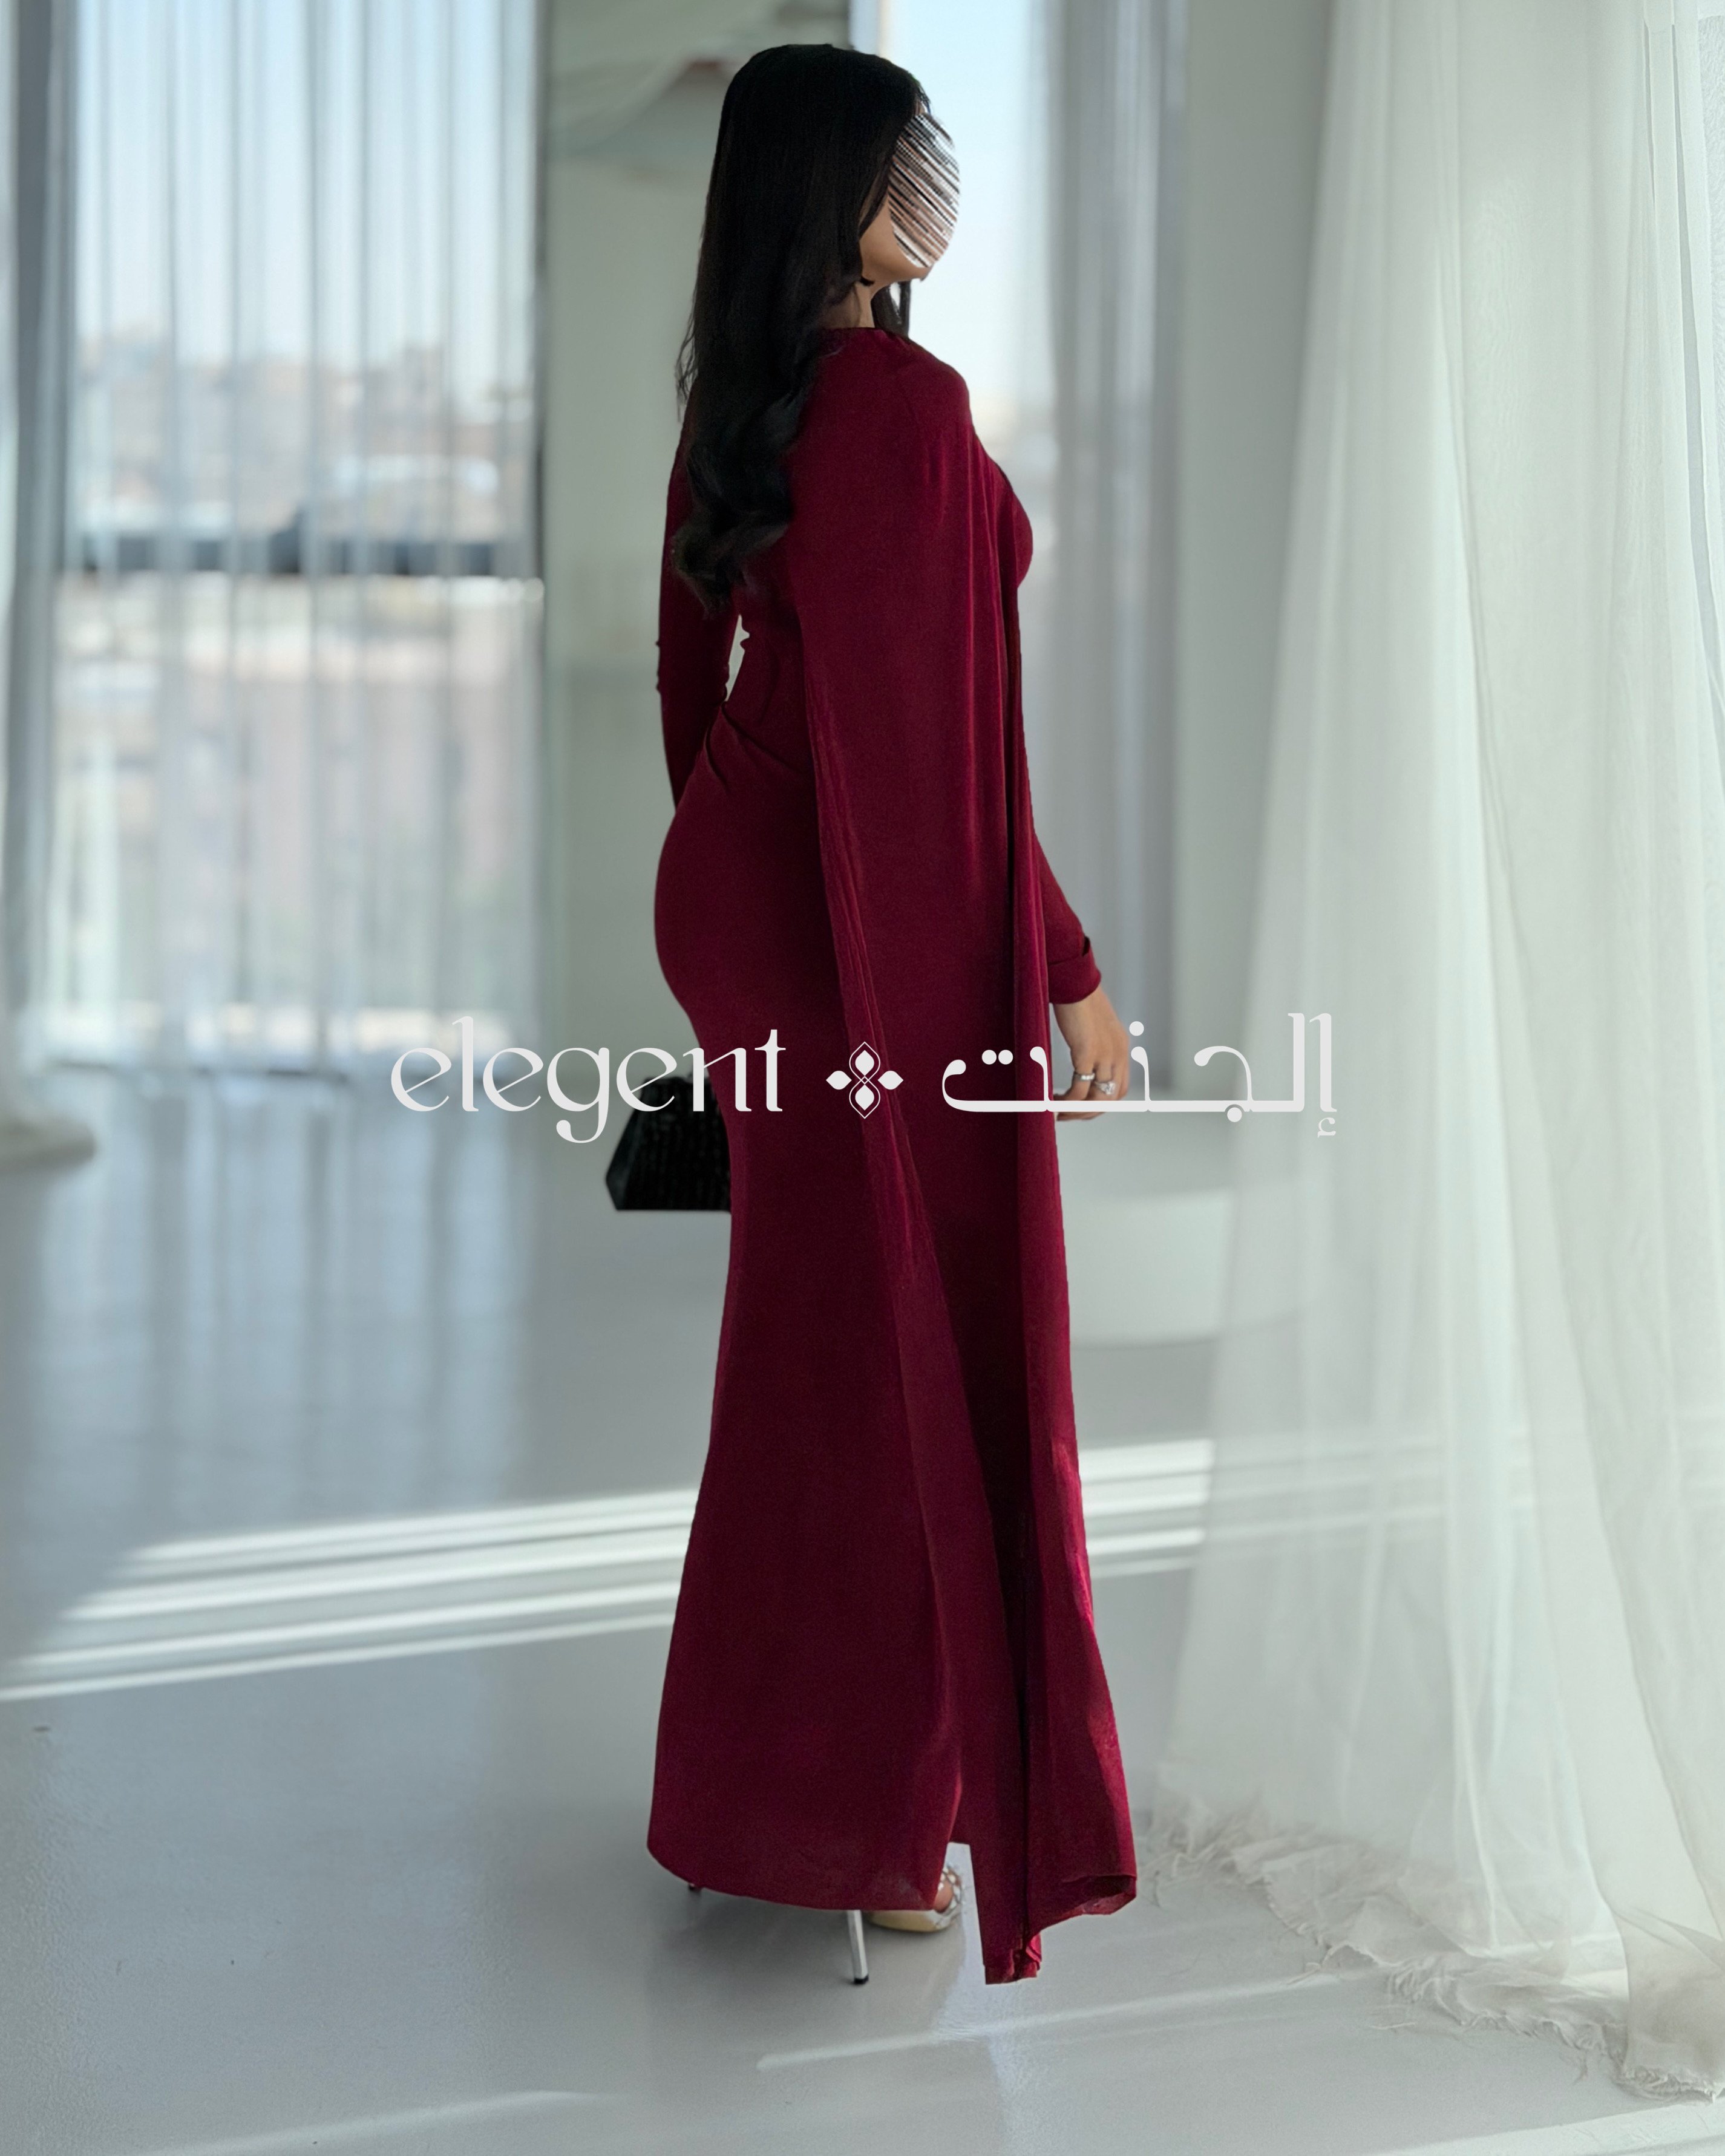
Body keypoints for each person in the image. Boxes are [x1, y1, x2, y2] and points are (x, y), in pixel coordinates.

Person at [647, 42, 1137, 1985]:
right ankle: (856, 1817)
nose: (939, 176)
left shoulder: (744, 398)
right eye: (906, 152)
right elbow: (944, 771)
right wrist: (1064, 970)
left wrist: (741, 904)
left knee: (818, 1356)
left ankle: (768, 1798)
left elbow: (692, 695)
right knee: (896, 1360)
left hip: (752, 899)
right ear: (833, 192)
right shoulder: (902, 412)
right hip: (849, 920)